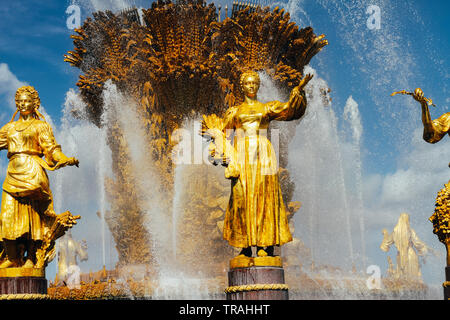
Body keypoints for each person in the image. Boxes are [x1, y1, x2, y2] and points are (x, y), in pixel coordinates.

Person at [210, 70, 312, 258]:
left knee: (265, 197)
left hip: (263, 154)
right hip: (242, 156)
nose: (251, 86)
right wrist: (218, 153)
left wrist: (298, 92)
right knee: (241, 198)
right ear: (242, 86)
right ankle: (245, 246)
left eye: (254, 83)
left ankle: (266, 245)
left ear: (258, 86)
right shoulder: (235, 112)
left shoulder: (266, 108)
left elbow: (289, 111)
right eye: (248, 83)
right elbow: (221, 135)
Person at [0, 86, 79, 268]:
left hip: (33, 172)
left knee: (33, 216)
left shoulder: (41, 126)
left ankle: (31, 258)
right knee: (7, 215)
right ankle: (12, 257)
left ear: (35, 103)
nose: (23, 104)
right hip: (13, 173)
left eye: (27, 101)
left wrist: (64, 159)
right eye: (19, 101)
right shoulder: (9, 128)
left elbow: (52, 149)